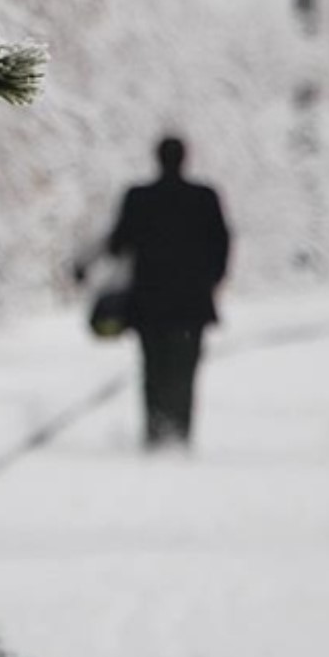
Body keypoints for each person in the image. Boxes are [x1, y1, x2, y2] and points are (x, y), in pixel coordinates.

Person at [86, 136, 231, 450]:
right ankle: (180, 431)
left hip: (149, 301)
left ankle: (155, 430)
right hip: (192, 302)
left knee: (153, 367)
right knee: (185, 368)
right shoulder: (204, 198)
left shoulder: (139, 198)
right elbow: (221, 245)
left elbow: (118, 243)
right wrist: (210, 281)